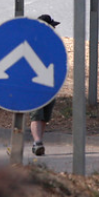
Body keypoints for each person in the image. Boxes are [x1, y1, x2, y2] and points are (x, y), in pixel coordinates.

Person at [29, 14, 60, 156]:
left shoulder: (52, 42)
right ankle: (37, 142)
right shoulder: (32, 42)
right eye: (51, 26)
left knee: (44, 116)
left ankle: (39, 141)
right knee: (37, 114)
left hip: (49, 84)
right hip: (34, 85)